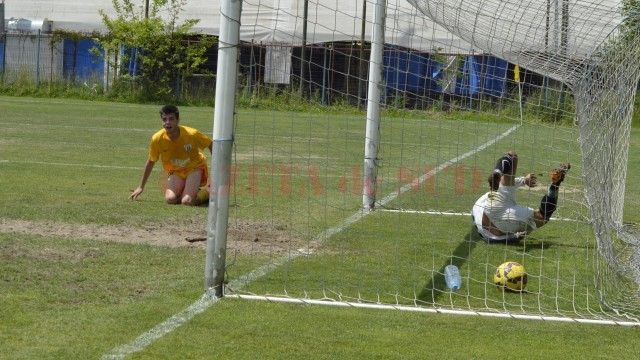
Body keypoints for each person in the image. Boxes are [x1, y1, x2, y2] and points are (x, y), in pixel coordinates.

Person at [471, 150, 570, 241]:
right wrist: (523, 180)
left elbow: (501, 237)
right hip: (491, 198)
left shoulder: (488, 235)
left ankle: (556, 183)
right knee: (512, 156)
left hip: (496, 217)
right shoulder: (476, 210)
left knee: (542, 217)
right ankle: (498, 171)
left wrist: (516, 236)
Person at [129, 104, 212, 206]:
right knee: (170, 199)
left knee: (187, 201)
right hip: (175, 171)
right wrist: (141, 186)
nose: (167, 123)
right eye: (164, 119)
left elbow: (211, 144)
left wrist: (217, 172)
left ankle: (208, 191)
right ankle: (189, 190)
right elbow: (151, 161)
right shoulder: (157, 139)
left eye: (171, 119)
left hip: (195, 168)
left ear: (178, 121)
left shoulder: (192, 134)